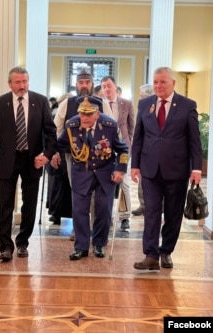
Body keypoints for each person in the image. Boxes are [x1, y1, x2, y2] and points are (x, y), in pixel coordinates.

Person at [131, 67, 202, 270]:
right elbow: (139, 137)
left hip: (177, 169)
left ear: (173, 83)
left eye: (162, 82)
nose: (158, 86)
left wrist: (196, 168)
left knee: (173, 214)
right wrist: (134, 164)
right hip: (150, 168)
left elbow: (194, 141)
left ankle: (166, 251)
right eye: (155, 82)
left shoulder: (187, 105)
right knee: (151, 212)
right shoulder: (145, 104)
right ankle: (151, 255)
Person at [0, 66, 57, 262]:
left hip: (32, 160)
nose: (21, 85)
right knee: (5, 204)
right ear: (10, 84)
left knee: (30, 204)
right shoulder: (0, 103)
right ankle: (5, 247)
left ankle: (23, 243)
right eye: (17, 82)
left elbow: (51, 133)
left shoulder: (40, 101)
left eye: (24, 81)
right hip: (8, 159)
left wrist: (47, 155)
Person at [51, 96, 129, 260]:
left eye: (89, 114)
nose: (84, 118)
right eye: (81, 114)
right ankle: (81, 247)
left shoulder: (109, 125)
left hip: (104, 173)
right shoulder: (72, 124)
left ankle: (99, 244)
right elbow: (60, 143)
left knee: (103, 210)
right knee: (79, 211)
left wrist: (120, 169)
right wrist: (49, 154)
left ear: (97, 114)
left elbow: (122, 150)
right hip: (81, 173)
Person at [54, 68, 113, 240]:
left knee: (98, 195)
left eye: (87, 82)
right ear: (76, 84)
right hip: (75, 157)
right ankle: (80, 230)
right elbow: (57, 128)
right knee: (79, 194)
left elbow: (112, 127)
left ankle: (97, 230)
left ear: (92, 84)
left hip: (100, 158)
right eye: (81, 82)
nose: (84, 86)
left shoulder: (102, 103)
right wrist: (56, 151)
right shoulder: (67, 103)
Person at [101, 76, 134, 230]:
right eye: (103, 86)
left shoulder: (126, 103)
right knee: (105, 182)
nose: (106, 89)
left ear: (115, 86)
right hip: (104, 147)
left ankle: (125, 216)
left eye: (109, 85)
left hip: (122, 147)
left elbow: (131, 125)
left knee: (124, 183)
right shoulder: (99, 103)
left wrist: (128, 143)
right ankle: (105, 215)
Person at [46, 93, 73, 225]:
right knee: (58, 184)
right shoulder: (53, 113)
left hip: (63, 150)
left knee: (60, 185)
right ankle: (57, 213)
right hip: (58, 150)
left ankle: (56, 213)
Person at [131, 84, 154, 216]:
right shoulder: (143, 108)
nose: (140, 98)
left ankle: (158, 207)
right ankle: (143, 205)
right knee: (142, 180)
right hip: (144, 150)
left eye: (141, 95)